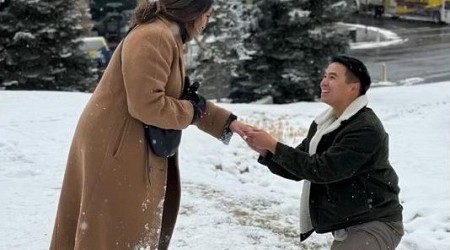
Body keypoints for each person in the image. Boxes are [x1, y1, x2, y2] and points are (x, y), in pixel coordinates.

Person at [50, 0, 248, 249]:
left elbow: (182, 97)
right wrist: (191, 111)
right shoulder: (155, 35)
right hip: (116, 146)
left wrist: (227, 123)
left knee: (113, 230)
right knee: (111, 234)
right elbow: (148, 105)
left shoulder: (167, 34)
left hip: (126, 141)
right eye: (207, 15)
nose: (207, 22)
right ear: (192, 11)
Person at [243, 55, 404, 249]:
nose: (324, 82)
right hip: (351, 223)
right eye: (325, 75)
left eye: (333, 77)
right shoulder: (325, 125)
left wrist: (274, 145)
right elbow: (299, 168)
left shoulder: (365, 129)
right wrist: (268, 152)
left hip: (376, 223)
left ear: (354, 87)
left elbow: (322, 170)